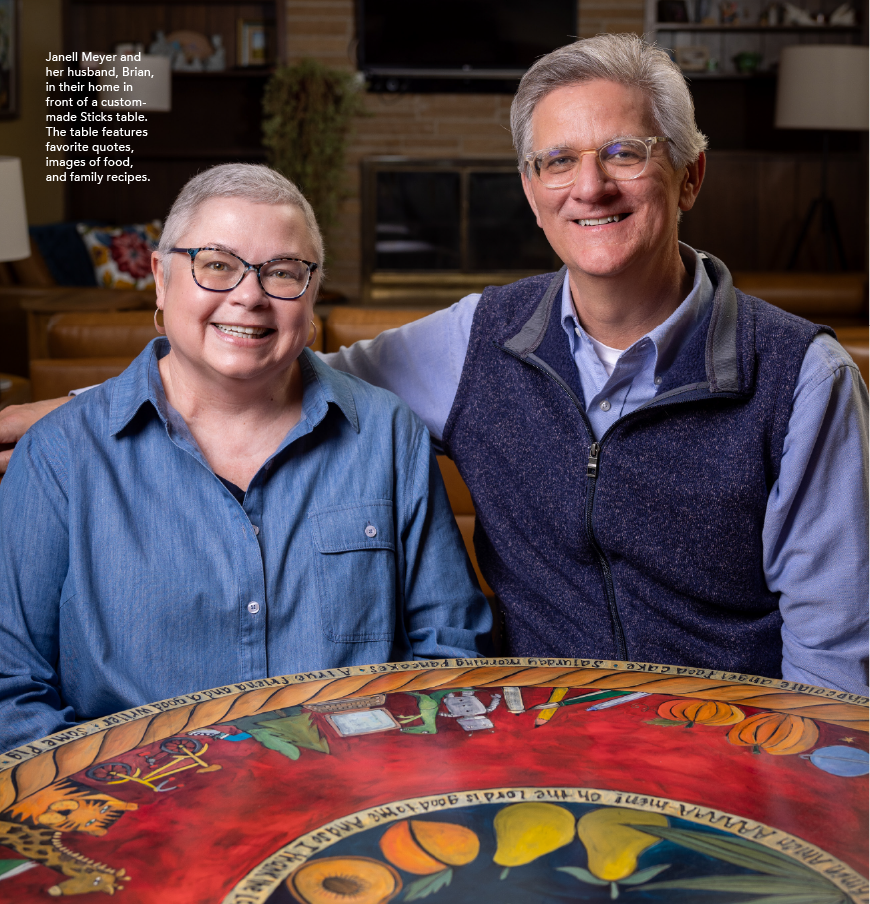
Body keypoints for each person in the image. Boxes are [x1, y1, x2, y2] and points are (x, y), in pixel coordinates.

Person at [4, 35, 869, 694]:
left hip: (729, 752)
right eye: (557, 160)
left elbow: (832, 661)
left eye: (625, 153)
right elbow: (274, 369)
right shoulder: (476, 341)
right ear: (531, 190)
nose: (589, 186)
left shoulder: (804, 379)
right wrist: (96, 415)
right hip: (532, 748)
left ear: (689, 176)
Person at [0, 164, 492, 752]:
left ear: (311, 296)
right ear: (161, 278)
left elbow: (450, 651)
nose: (249, 296)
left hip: (350, 805)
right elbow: (11, 690)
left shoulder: (388, 435)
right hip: (129, 815)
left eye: (282, 272)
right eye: (216, 265)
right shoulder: (59, 456)